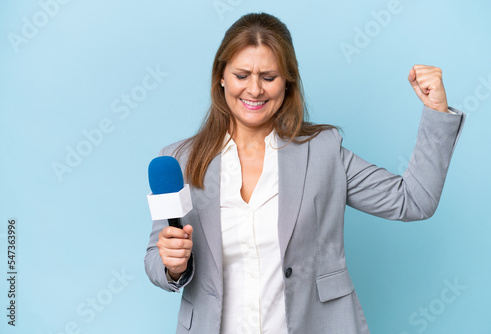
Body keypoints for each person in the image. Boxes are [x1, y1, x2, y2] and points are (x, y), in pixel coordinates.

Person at [144, 12, 465, 334]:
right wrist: (173, 266)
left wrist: (436, 112)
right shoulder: (179, 160)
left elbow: (413, 201)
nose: (254, 90)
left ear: (288, 81)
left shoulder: (323, 151)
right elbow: (156, 264)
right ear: (221, 77)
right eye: (242, 75)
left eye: (268, 77)